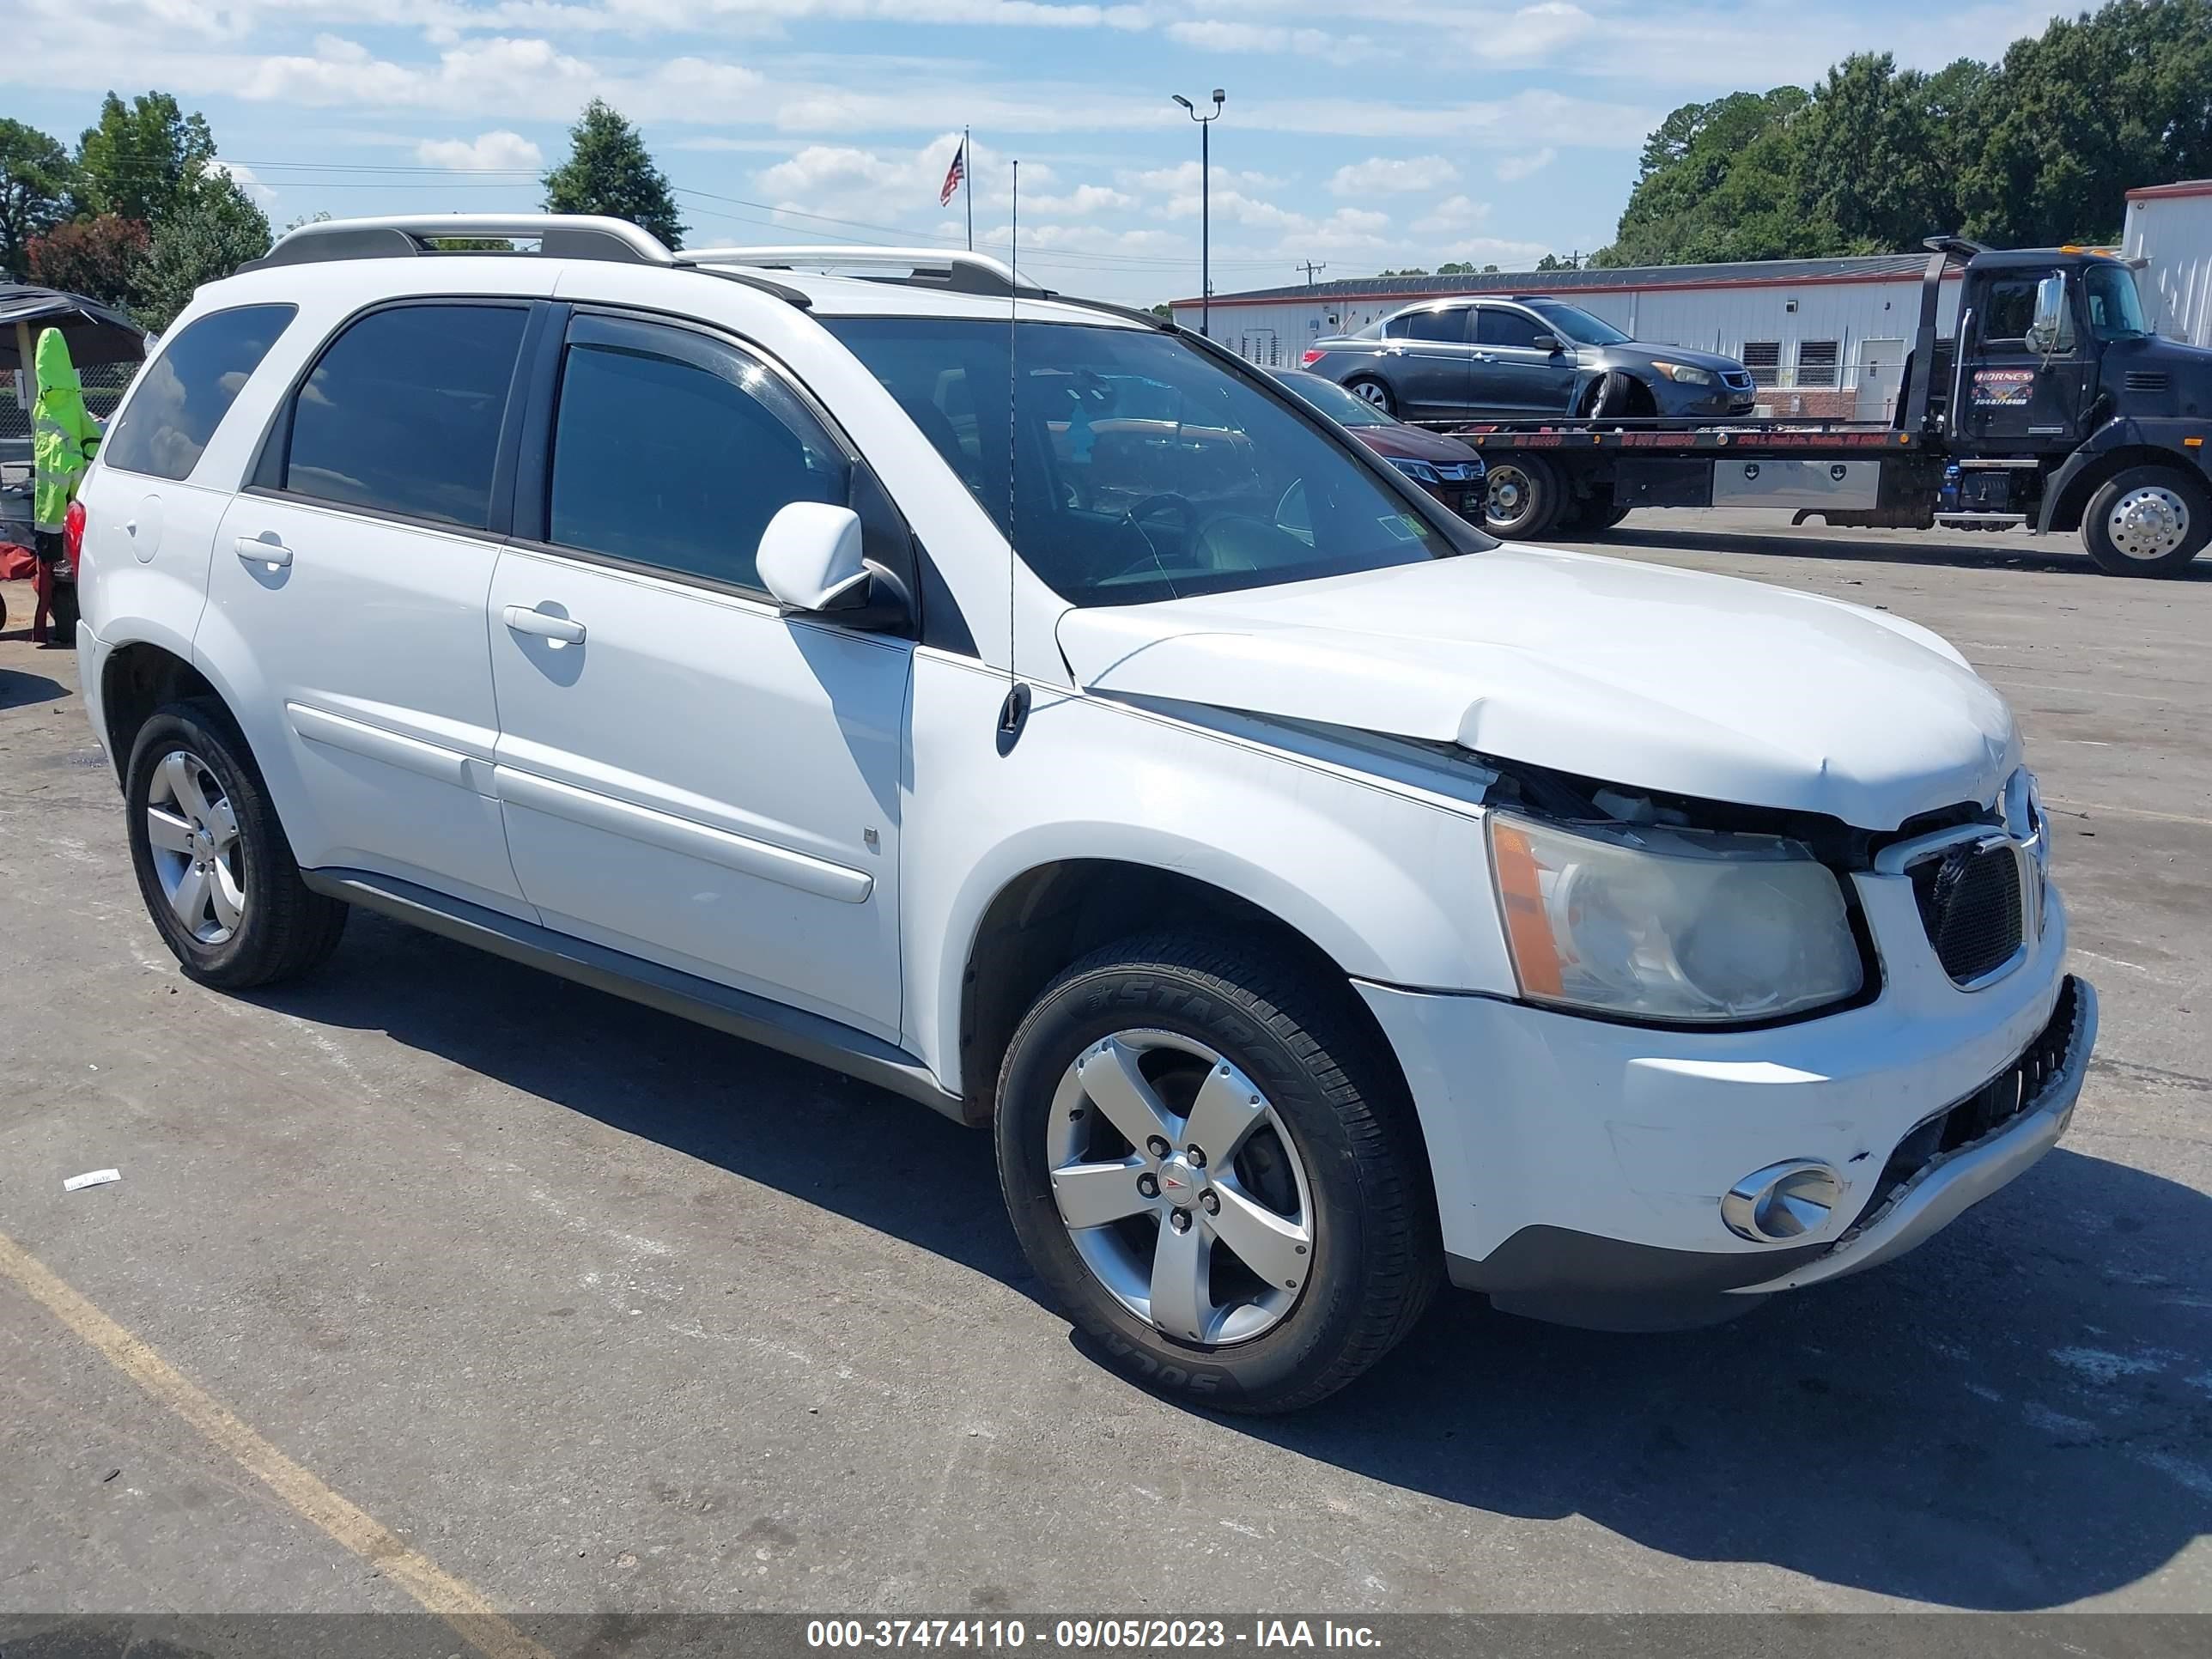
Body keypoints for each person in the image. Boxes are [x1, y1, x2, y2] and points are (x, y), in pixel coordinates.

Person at [31, 326, 99, 647]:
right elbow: (90, 440)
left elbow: (50, 461)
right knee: (77, 569)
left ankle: (43, 628)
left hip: (50, 513)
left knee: (52, 572)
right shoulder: (73, 401)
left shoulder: (45, 407)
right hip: (80, 500)